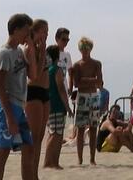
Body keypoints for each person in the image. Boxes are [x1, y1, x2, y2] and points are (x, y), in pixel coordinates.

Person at [0, 14, 37, 180]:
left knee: (29, 147)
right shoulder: (4, 54)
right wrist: (10, 117)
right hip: (8, 106)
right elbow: (0, 87)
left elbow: (32, 75)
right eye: (26, 30)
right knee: (3, 150)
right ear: (16, 29)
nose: (28, 34)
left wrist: (31, 49)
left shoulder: (19, 51)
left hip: (20, 106)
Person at [68, 37, 103, 166]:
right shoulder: (77, 65)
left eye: (86, 49)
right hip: (82, 97)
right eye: (82, 49)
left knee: (94, 128)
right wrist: (91, 79)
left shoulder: (96, 64)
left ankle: (92, 158)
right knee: (81, 129)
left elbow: (99, 82)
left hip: (93, 96)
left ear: (90, 49)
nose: (84, 51)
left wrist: (86, 79)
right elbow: (77, 83)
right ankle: (80, 158)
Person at [23, 21, 50, 175]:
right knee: (34, 137)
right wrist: (41, 52)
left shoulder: (41, 50)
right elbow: (35, 75)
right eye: (44, 31)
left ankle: (35, 173)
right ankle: (31, 173)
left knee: (39, 137)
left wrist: (43, 51)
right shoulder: (29, 49)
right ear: (36, 31)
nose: (46, 34)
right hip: (33, 92)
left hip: (45, 92)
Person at [43, 43, 69, 169]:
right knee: (56, 134)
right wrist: (67, 106)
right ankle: (49, 161)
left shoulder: (47, 70)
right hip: (57, 105)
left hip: (49, 104)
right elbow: (61, 89)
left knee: (54, 133)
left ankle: (52, 161)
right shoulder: (56, 69)